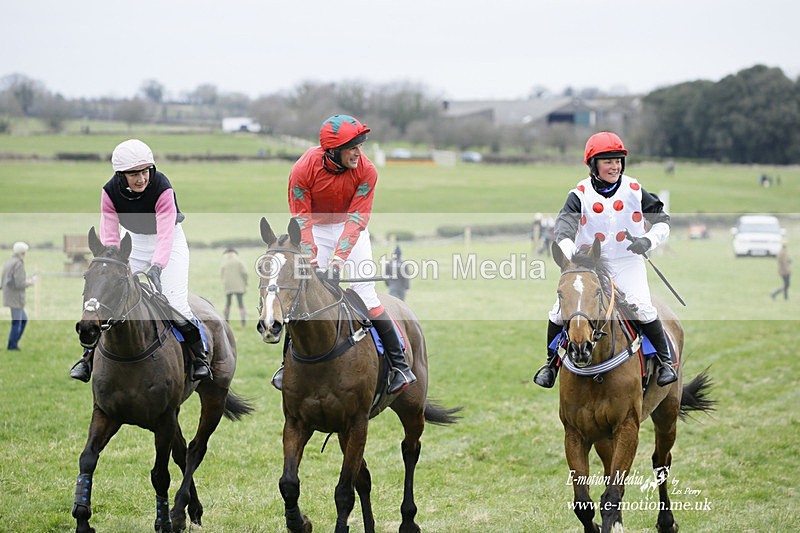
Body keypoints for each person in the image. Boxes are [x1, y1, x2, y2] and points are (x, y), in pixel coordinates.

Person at [272, 114, 416, 394]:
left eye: (360, 146)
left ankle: (399, 365)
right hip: (314, 228)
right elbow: (301, 220)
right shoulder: (302, 169)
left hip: (351, 228)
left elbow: (357, 219)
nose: (358, 153)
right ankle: (285, 366)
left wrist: (338, 261)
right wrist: (314, 262)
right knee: (305, 295)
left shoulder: (367, 171)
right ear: (332, 151)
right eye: (352, 148)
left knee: (366, 294)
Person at [532, 131, 678, 388]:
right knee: (557, 312)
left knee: (643, 308)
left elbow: (662, 221)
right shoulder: (579, 194)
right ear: (593, 165)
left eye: (618, 160)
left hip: (627, 262)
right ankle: (550, 365)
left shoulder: (634, 189)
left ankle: (666, 362)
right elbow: (563, 231)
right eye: (608, 161)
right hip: (590, 265)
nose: (615, 166)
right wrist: (575, 259)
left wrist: (647, 241)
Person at [69, 139, 211, 382]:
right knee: (107, 297)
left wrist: (157, 265)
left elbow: (165, 234)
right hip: (132, 241)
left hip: (169, 241)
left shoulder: (162, 187)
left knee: (175, 303)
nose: (142, 179)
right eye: (134, 174)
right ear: (121, 175)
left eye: (145, 171)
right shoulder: (109, 191)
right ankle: (87, 358)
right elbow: (110, 235)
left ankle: (200, 357)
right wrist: (112, 263)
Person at [2, 242, 36, 351]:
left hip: (9, 295)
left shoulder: (9, 262)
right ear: (23, 252)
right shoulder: (18, 264)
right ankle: (12, 345)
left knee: (22, 319)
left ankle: (13, 343)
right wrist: (31, 282)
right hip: (16, 298)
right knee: (18, 322)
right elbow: (19, 283)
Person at [221, 247, 248, 326]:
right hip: (239, 286)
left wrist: (224, 283)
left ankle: (226, 320)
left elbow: (222, 274)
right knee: (240, 303)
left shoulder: (224, 262)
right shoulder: (239, 261)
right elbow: (245, 273)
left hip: (228, 286)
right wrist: (245, 283)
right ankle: (243, 321)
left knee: (228, 303)